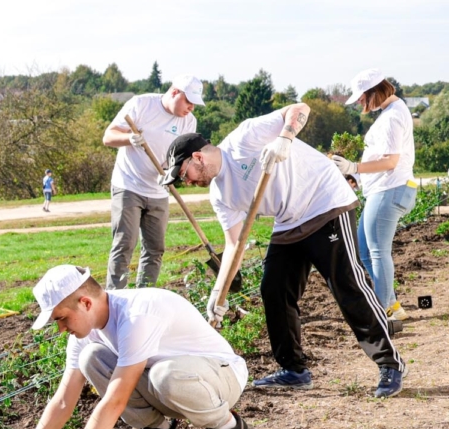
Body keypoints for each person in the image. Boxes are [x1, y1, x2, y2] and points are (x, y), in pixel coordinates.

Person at [158, 102, 405, 398]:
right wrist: (217, 294)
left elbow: (300, 109)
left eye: (184, 174)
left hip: (325, 202)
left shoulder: (244, 138)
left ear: (197, 157)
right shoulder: (220, 195)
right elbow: (235, 243)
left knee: (347, 284)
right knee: (274, 288)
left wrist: (284, 139)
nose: (187, 182)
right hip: (289, 220)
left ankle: (389, 363)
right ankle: (294, 370)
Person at [0, 265, 253, 429]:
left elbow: (116, 400)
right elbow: (63, 401)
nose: (60, 328)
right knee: (91, 358)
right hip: (174, 381)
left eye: (61, 318)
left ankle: (228, 427)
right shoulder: (86, 333)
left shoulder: (136, 315)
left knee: (164, 375)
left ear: (85, 303)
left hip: (220, 377)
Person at [330, 69, 417, 321]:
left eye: (361, 97)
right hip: (386, 188)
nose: (359, 102)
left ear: (374, 92)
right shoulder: (392, 111)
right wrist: (356, 176)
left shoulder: (391, 117)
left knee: (377, 252)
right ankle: (391, 305)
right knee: (366, 250)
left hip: (389, 190)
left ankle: (382, 312)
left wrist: (354, 167)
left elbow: (390, 161)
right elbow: (381, 158)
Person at [101, 75, 203, 289]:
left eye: (194, 103)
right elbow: (108, 137)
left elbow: (181, 157)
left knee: (155, 248)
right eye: (188, 101)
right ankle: (114, 299)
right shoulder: (142, 104)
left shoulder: (188, 121)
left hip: (158, 191)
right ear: (175, 92)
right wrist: (128, 139)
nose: (191, 107)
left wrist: (170, 173)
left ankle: (143, 297)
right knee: (124, 244)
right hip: (128, 184)